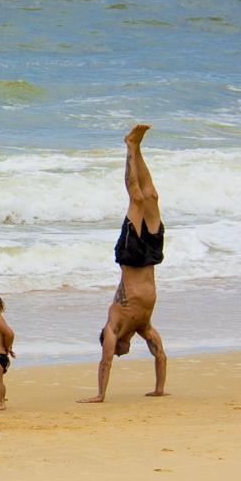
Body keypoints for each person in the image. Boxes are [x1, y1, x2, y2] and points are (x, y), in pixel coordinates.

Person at [78, 124, 168, 403]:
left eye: (118, 351)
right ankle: (136, 147)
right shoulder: (144, 326)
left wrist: (99, 394)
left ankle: (131, 146)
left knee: (138, 198)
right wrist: (159, 388)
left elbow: (105, 361)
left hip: (130, 256)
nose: (120, 353)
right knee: (151, 196)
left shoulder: (113, 327)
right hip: (150, 259)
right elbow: (160, 355)